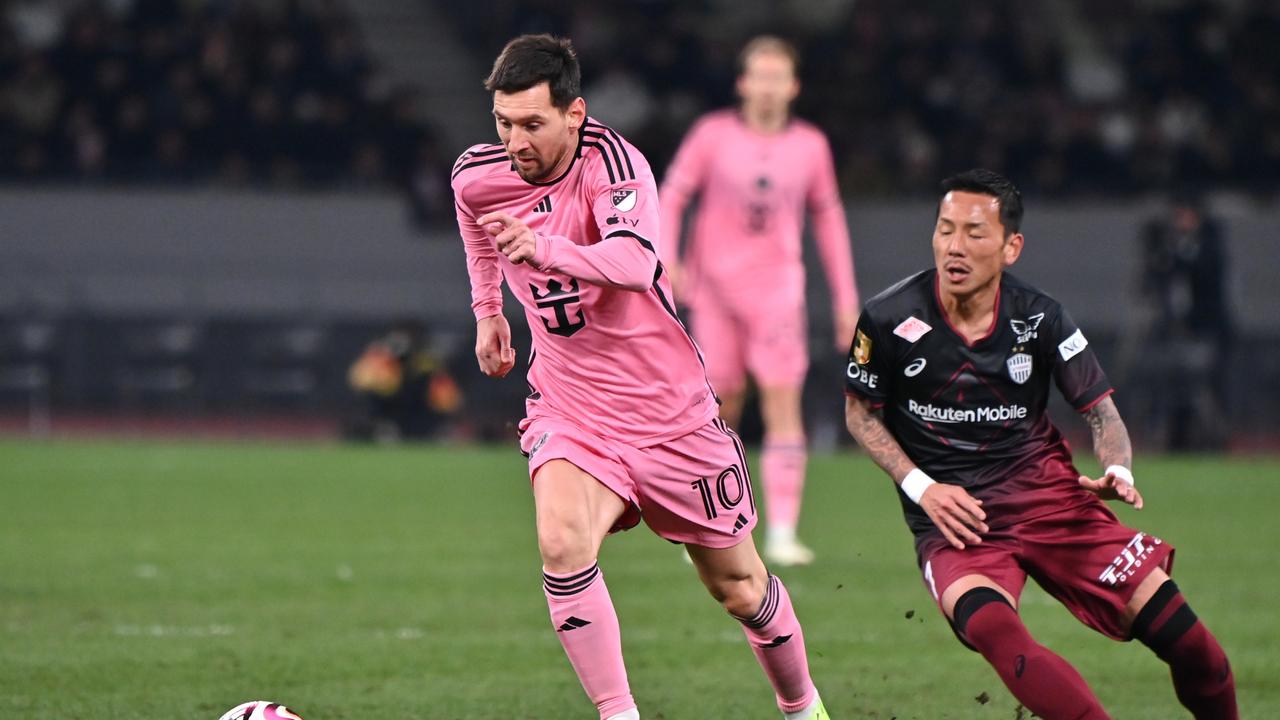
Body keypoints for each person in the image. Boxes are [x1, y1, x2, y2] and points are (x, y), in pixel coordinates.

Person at [451, 35, 830, 720]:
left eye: (532, 123)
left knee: (741, 588)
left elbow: (635, 261)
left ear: (574, 113)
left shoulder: (614, 164)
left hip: (668, 413)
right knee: (561, 541)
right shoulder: (478, 173)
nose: (515, 141)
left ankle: (802, 706)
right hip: (572, 407)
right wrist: (488, 312)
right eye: (504, 123)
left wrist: (545, 247)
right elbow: (475, 218)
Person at [842, 169, 1236, 719]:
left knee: (1194, 648)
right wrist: (922, 487)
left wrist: (1118, 468)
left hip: (1051, 502)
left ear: (1011, 247)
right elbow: (860, 414)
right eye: (945, 229)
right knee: (1004, 641)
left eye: (975, 233)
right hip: (957, 522)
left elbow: (1101, 411)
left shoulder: (1041, 317)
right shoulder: (888, 317)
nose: (954, 247)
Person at [660, 36, 860, 566]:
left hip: (777, 295)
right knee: (718, 406)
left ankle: (782, 533)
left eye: (779, 77)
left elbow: (829, 221)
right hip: (715, 292)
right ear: (742, 83)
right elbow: (672, 195)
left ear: (793, 87)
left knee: (781, 402)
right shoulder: (711, 136)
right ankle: (711, 525)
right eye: (759, 76)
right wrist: (666, 259)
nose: (768, 87)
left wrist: (846, 299)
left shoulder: (810, 146)